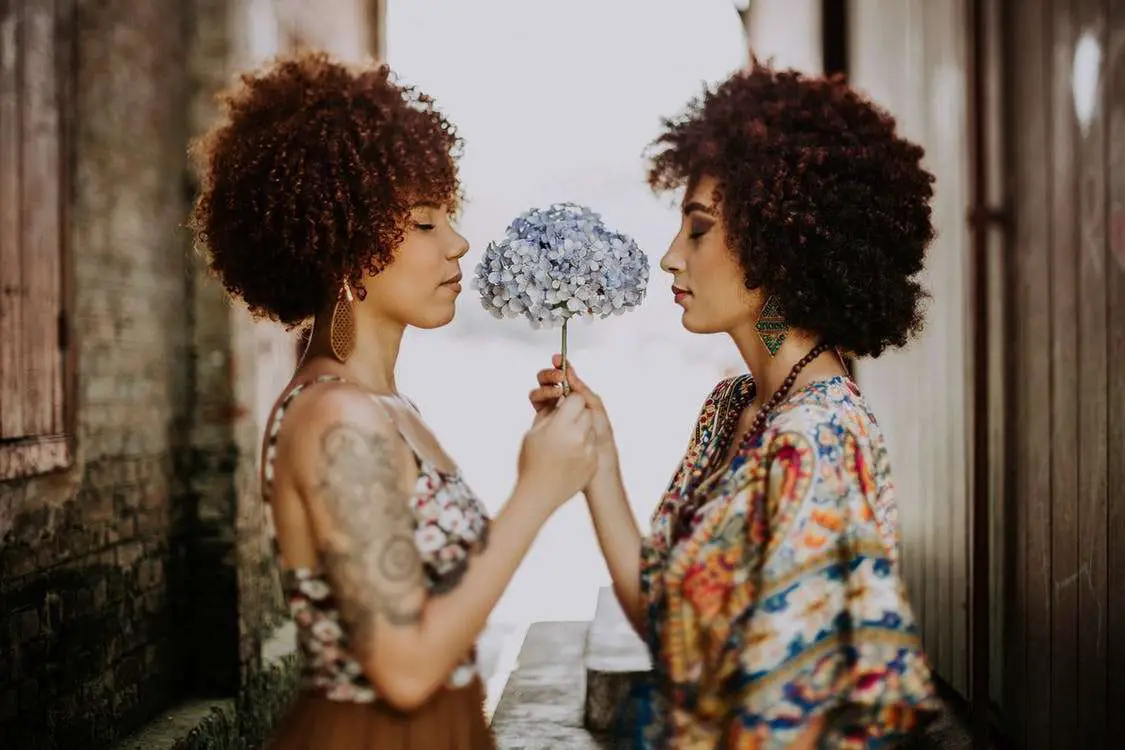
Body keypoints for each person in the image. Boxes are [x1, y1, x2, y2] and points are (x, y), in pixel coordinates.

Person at [189, 51, 597, 749]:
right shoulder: (333, 416)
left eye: (449, 216)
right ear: (342, 242)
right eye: (424, 222)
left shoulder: (388, 407)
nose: (460, 242)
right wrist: (535, 492)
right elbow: (403, 670)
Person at [530, 62, 942, 748]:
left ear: (779, 240)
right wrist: (597, 458)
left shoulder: (817, 442)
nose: (669, 257)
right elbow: (669, 624)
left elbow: (792, 720)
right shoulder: (734, 405)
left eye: (697, 228)